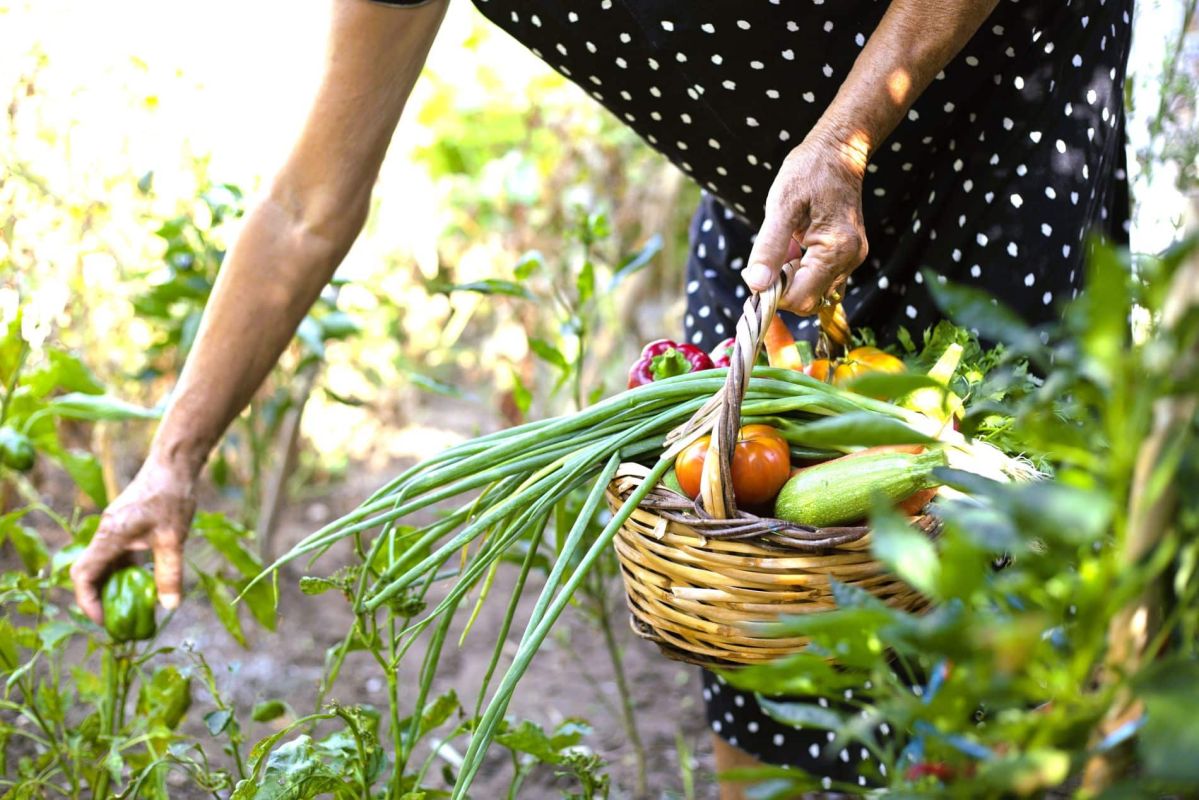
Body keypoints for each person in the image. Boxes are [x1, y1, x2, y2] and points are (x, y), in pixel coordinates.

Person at [70, 0, 1131, 795]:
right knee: (756, 608)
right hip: (778, 196)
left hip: (995, 125)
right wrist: (171, 459)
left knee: (994, 613)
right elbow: (307, 206)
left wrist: (847, 133)